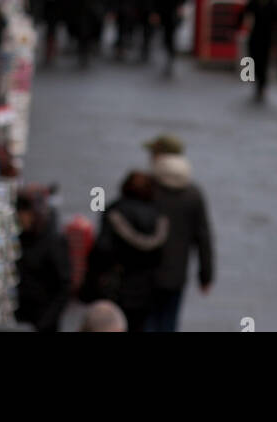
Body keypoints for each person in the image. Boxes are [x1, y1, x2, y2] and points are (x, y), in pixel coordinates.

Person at [82, 171, 168, 332]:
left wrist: (89, 285)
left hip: (116, 286)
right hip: (145, 290)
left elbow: (102, 249)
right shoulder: (158, 218)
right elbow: (161, 256)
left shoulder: (115, 212)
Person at [143, 134, 213, 332]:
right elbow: (203, 237)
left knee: (148, 321)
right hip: (176, 275)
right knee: (169, 322)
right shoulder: (193, 194)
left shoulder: (149, 188)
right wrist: (206, 275)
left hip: (147, 271)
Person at [15, 190, 71, 332]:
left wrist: (44, 322)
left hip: (43, 320)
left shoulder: (53, 241)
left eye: (23, 214)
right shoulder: (24, 236)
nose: (20, 219)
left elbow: (64, 286)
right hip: (24, 315)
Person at [236, 0, 277, 102]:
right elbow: (243, 13)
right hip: (255, 36)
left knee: (264, 63)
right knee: (253, 59)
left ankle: (262, 86)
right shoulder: (254, 2)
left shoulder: (272, 4)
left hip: (267, 37)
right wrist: (238, 27)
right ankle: (257, 82)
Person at [153, 0, 187, 75]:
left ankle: (171, 56)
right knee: (165, 36)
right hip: (164, 13)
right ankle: (169, 52)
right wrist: (155, 13)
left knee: (172, 36)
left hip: (174, 15)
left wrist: (180, 9)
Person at [40, 0, 71, 66]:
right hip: (51, 9)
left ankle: (53, 49)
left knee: (54, 30)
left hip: (59, 8)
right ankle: (50, 49)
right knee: (51, 30)